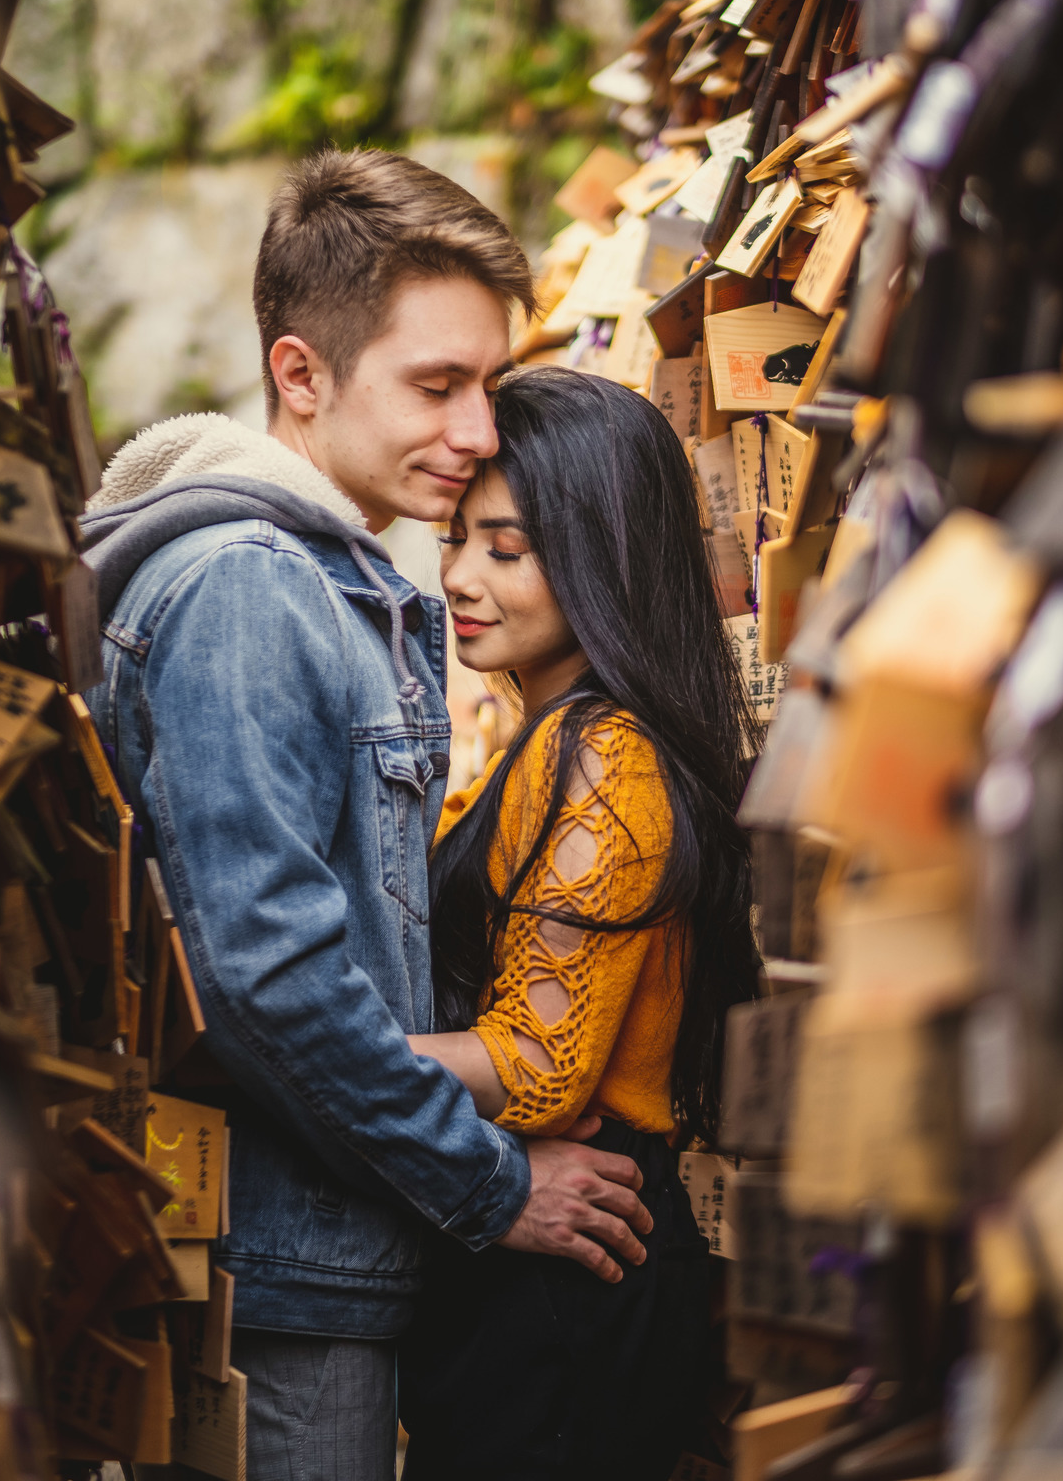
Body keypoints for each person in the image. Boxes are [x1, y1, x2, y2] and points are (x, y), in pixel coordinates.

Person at [79, 150, 652, 1481]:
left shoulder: (321, 581)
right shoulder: (251, 590)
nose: (477, 433)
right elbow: (267, 980)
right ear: (301, 375)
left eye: (488, 386)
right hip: (277, 1289)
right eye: (436, 385)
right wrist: (495, 1185)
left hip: (308, 1264)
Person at [398, 365, 760, 1481]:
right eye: (458, 538)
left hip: (572, 1262)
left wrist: (298, 1056)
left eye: (506, 550)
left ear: (605, 555)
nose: (458, 576)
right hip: (567, 1251)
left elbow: (539, 1068)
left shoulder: (599, 753)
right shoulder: (563, 734)